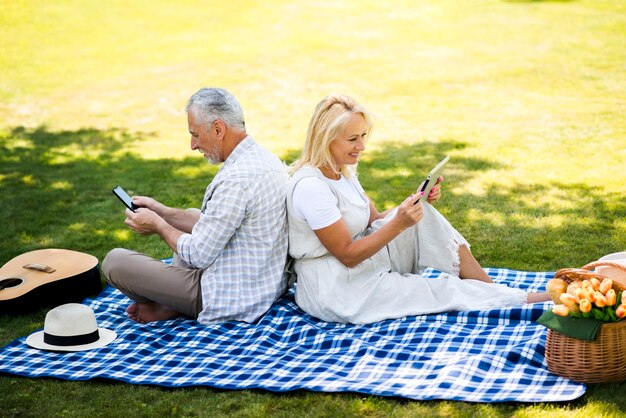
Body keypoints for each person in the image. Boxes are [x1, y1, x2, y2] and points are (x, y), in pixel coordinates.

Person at [286, 93, 550, 324]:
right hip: (337, 289)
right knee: (437, 290)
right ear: (326, 139)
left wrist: (415, 203)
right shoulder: (312, 188)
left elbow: (374, 219)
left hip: (358, 267)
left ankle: (493, 291)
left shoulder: (341, 170)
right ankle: (524, 299)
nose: (362, 146)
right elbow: (347, 255)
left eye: (364, 136)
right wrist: (400, 222)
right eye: (352, 139)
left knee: (425, 218)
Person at [102, 87, 289, 324]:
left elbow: (199, 254)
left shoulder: (237, 180)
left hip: (228, 296)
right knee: (192, 216)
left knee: (114, 262)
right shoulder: (263, 158)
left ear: (218, 129)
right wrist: (161, 211)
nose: (192, 145)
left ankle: (175, 304)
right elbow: (218, 224)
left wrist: (158, 225)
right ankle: (172, 303)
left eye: (196, 135)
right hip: (263, 283)